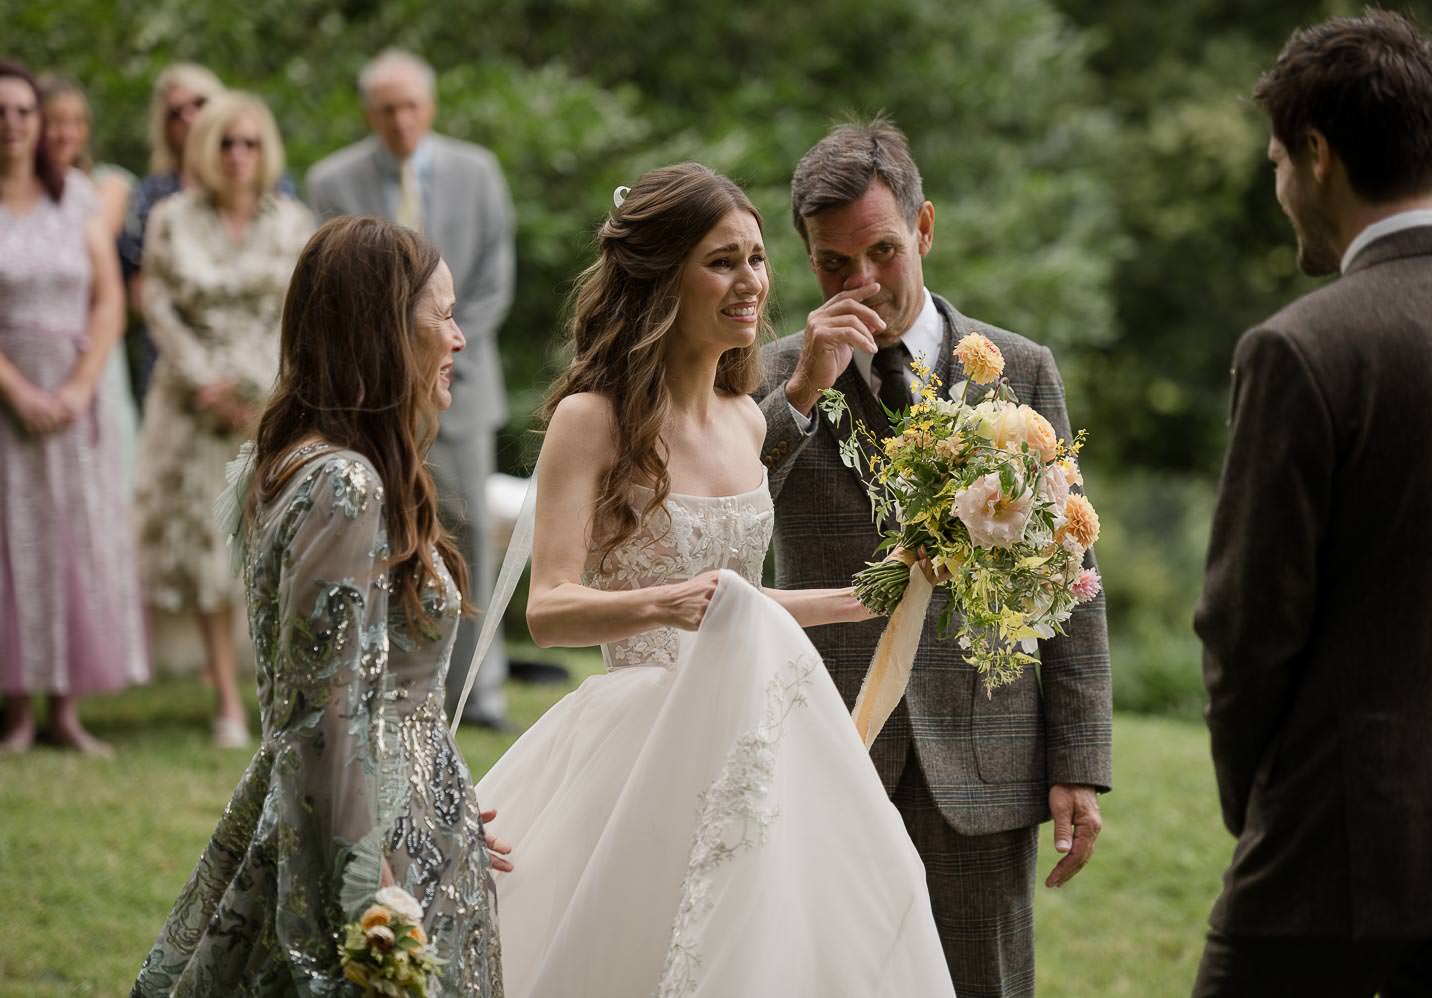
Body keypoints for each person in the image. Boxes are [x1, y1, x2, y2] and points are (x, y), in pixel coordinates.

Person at [474, 163, 955, 997]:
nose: (751, 285)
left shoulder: (746, 418)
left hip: (756, 738)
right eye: (722, 262)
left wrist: (869, 593)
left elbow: (741, 602)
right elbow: (549, 610)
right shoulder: (592, 420)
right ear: (663, 278)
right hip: (638, 735)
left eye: (758, 259)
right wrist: (666, 601)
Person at [755, 117, 1112, 997]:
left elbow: (1072, 569)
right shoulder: (771, 373)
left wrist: (1080, 761)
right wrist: (803, 388)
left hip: (983, 756)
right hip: (831, 741)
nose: (863, 281)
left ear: (923, 229)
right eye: (834, 264)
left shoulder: (1020, 373)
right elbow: (727, 510)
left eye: (880, 250)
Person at [1191, 12, 1432, 996]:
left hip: (1336, 847)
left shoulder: (1299, 349)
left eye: (1277, 158)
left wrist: (1257, 805)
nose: (1279, 187)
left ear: (1317, 155)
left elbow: (1248, 629)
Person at [132, 216, 507, 996]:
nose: (460, 338)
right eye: (441, 315)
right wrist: (368, 899)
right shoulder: (344, 485)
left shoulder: (302, 462)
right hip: (373, 850)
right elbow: (328, 716)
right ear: (382, 331)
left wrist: (445, 793)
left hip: (404, 819)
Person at [307, 48, 517, 731]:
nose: (401, 120)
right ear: (369, 113)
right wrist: (397, 357)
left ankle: (478, 692)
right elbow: (336, 289)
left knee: (469, 538)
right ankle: (390, 687)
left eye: (411, 106)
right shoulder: (332, 180)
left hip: (464, 378)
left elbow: (492, 280)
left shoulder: (477, 173)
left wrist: (439, 344)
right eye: (386, 109)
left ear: (430, 106)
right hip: (368, 392)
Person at [134, 91, 313, 748]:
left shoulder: (293, 222)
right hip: (191, 403)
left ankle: (276, 687)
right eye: (228, 143)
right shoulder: (173, 218)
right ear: (206, 148)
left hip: (268, 403)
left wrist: (259, 388)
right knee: (209, 553)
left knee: (269, 544)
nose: (239, 155)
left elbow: (296, 310)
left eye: (252, 143)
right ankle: (224, 698)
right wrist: (203, 378)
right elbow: (156, 302)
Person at [0, 59, 149, 754]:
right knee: (12, 543)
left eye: (23, 111)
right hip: (8, 399)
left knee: (71, 542)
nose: (12, 124)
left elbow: (109, 297)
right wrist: (19, 391)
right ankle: (17, 711)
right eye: (0, 112)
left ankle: (66, 708)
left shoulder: (79, 199)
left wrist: (81, 386)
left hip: (74, 400)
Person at [39, 72, 139, 485]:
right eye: (55, 121)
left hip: (92, 342)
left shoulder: (107, 184)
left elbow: (84, 237)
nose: (67, 133)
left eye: (76, 121)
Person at [116, 62, 223, 398]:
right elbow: (140, 295)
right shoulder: (151, 196)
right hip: (174, 366)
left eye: (199, 104)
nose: (189, 117)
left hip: (252, 360)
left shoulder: (266, 185)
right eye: (176, 112)